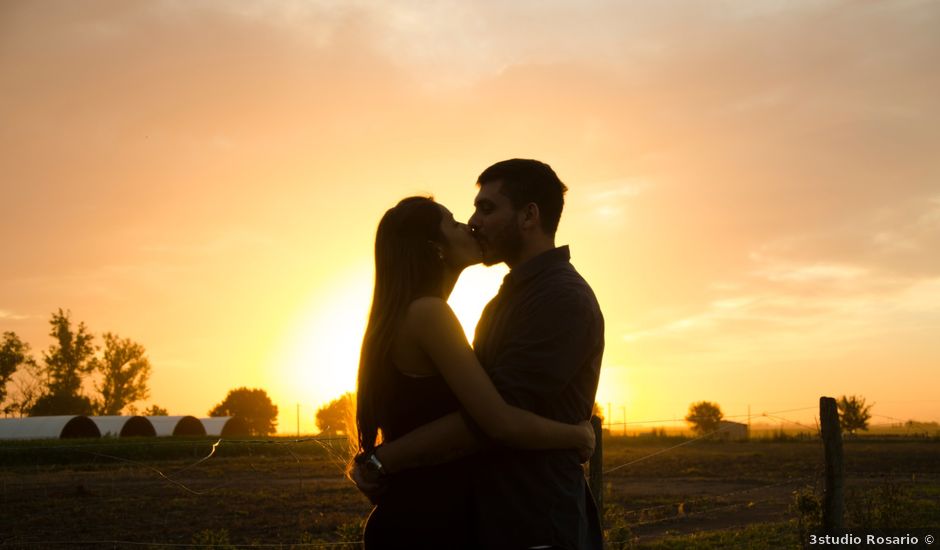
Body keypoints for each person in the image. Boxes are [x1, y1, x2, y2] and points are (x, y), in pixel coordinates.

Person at [355, 159, 605, 549]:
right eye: (464, 216)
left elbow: (496, 413)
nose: (473, 222)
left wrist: (383, 459)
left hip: (535, 520)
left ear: (528, 216)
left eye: (486, 209)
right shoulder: (475, 307)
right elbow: (496, 419)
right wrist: (576, 434)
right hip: (454, 522)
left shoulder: (560, 299)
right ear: (434, 250)